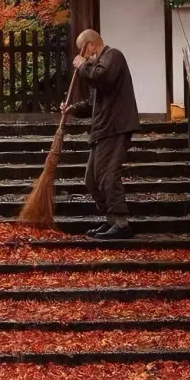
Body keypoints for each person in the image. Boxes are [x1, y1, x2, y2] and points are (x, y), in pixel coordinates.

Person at [64, 29, 140, 239]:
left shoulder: (113, 56)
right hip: (101, 128)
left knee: (108, 175)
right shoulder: (96, 66)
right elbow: (92, 103)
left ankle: (122, 224)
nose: (83, 54)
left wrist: (83, 65)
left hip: (116, 127)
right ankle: (111, 220)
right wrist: (73, 108)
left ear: (92, 44)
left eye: (83, 48)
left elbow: (102, 77)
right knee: (91, 179)